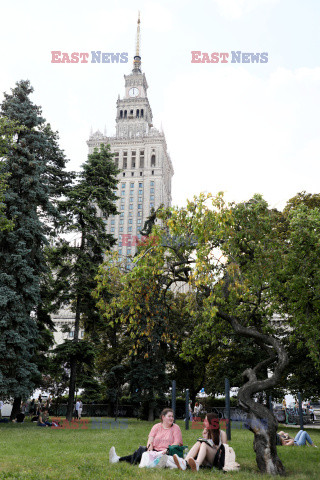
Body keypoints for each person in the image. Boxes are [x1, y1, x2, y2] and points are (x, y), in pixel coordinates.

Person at [109, 408, 183, 466]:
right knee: (142, 450)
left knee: (141, 454)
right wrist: (149, 447)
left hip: (167, 453)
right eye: (169, 416)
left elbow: (177, 443)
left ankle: (119, 459)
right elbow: (150, 439)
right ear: (163, 417)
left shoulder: (175, 427)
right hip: (154, 451)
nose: (172, 418)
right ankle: (119, 459)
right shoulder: (156, 426)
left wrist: (166, 450)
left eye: (172, 416)